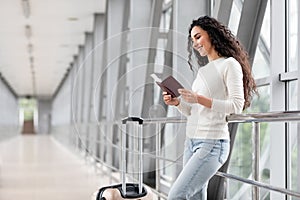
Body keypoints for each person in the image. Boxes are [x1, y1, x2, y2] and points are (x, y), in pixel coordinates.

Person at [163, 15, 257, 200]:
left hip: (212, 143)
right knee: (195, 197)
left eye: (198, 37)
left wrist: (199, 98)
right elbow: (194, 111)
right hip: (191, 142)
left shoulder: (230, 64)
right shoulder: (204, 71)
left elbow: (236, 105)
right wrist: (179, 103)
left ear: (212, 34)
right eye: (192, 40)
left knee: (177, 195)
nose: (195, 43)